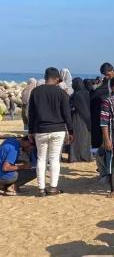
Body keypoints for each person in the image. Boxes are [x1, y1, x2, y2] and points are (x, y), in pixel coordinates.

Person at [29, 67, 73, 197]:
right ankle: (53, 187)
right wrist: (70, 130)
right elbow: (67, 114)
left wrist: (30, 131)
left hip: (40, 129)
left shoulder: (36, 92)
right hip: (58, 129)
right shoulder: (61, 93)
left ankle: (41, 189)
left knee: (41, 159)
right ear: (57, 79)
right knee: (54, 159)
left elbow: (31, 113)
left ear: (46, 77)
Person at [69, 78, 92, 162]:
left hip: (77, 117)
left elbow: (72, 106)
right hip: (87, 118)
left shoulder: (76, 94)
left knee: (77, 137)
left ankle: (75, 157)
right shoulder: (86, 92)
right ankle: (86, 156)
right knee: (85, 138)